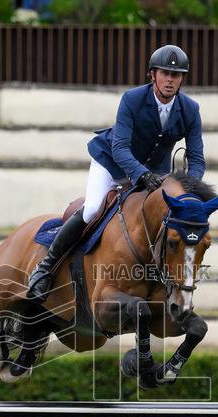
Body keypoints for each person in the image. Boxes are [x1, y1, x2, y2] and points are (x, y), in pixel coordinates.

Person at [26, 44, 206, 302]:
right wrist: (141, 175)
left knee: (166, 219)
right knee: (92, 210)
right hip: (112, 162)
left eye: (175, 75)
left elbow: (197, 159)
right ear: (152, 75)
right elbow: (120, 148)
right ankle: (45, 269)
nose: (169, 79)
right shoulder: (132, 99)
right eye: (164, 73)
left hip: (156, 173)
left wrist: (189, 191)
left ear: (182, 79)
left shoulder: (190, 109)